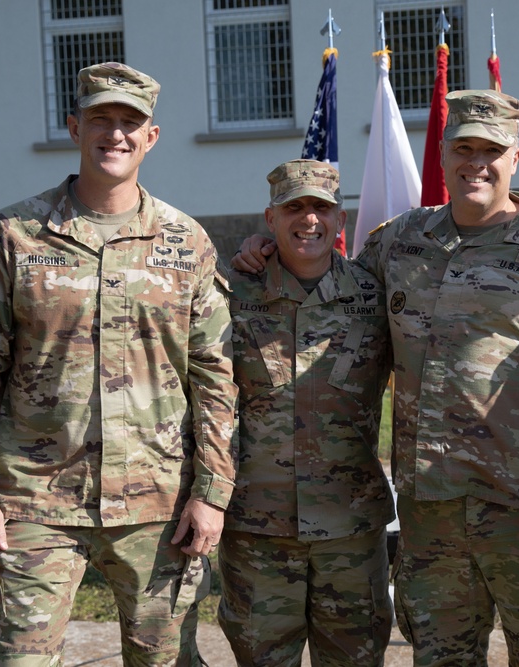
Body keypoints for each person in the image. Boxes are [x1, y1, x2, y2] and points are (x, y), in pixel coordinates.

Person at [236, 90, 519, 667]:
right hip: (430, 516)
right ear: (442, 154)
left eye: (492, 149)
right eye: (463, 148)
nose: (476, 162)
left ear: (516, 158)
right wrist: (267, 253)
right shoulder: (399, 243)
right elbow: (331, 293)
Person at [0, 62, 237, 666]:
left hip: (158, 503)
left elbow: (215, 376)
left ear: (151, 137)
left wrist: (213, 492)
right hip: (35, 502)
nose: (115, 134)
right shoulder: (14, 235)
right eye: (101, 119)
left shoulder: (185, 242)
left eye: (131, 123)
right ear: (74, 128)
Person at [217, 159, 395, 665]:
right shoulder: (231, 294)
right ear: (269, 219)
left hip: (351, 532)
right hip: (258, 531)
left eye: (321, 208)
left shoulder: (375, 296)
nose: (309, 219)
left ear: (341, 220)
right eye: (294, 207)